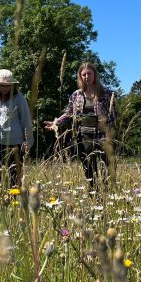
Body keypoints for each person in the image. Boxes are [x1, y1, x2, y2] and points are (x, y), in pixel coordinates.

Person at [44, 62, 116, 191]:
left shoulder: (107, 93)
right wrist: (56, 123)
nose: (87, 77)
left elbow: (115, 114)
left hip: (103, 136)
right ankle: (94, 196)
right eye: (84, 75)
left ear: (95, 75)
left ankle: (108, 195)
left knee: (107, 168)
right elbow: (68, 113)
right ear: (80, 77)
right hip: (83, 136)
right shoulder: (76, 95)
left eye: (89, 73)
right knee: (89, 168)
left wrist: (103, 121)